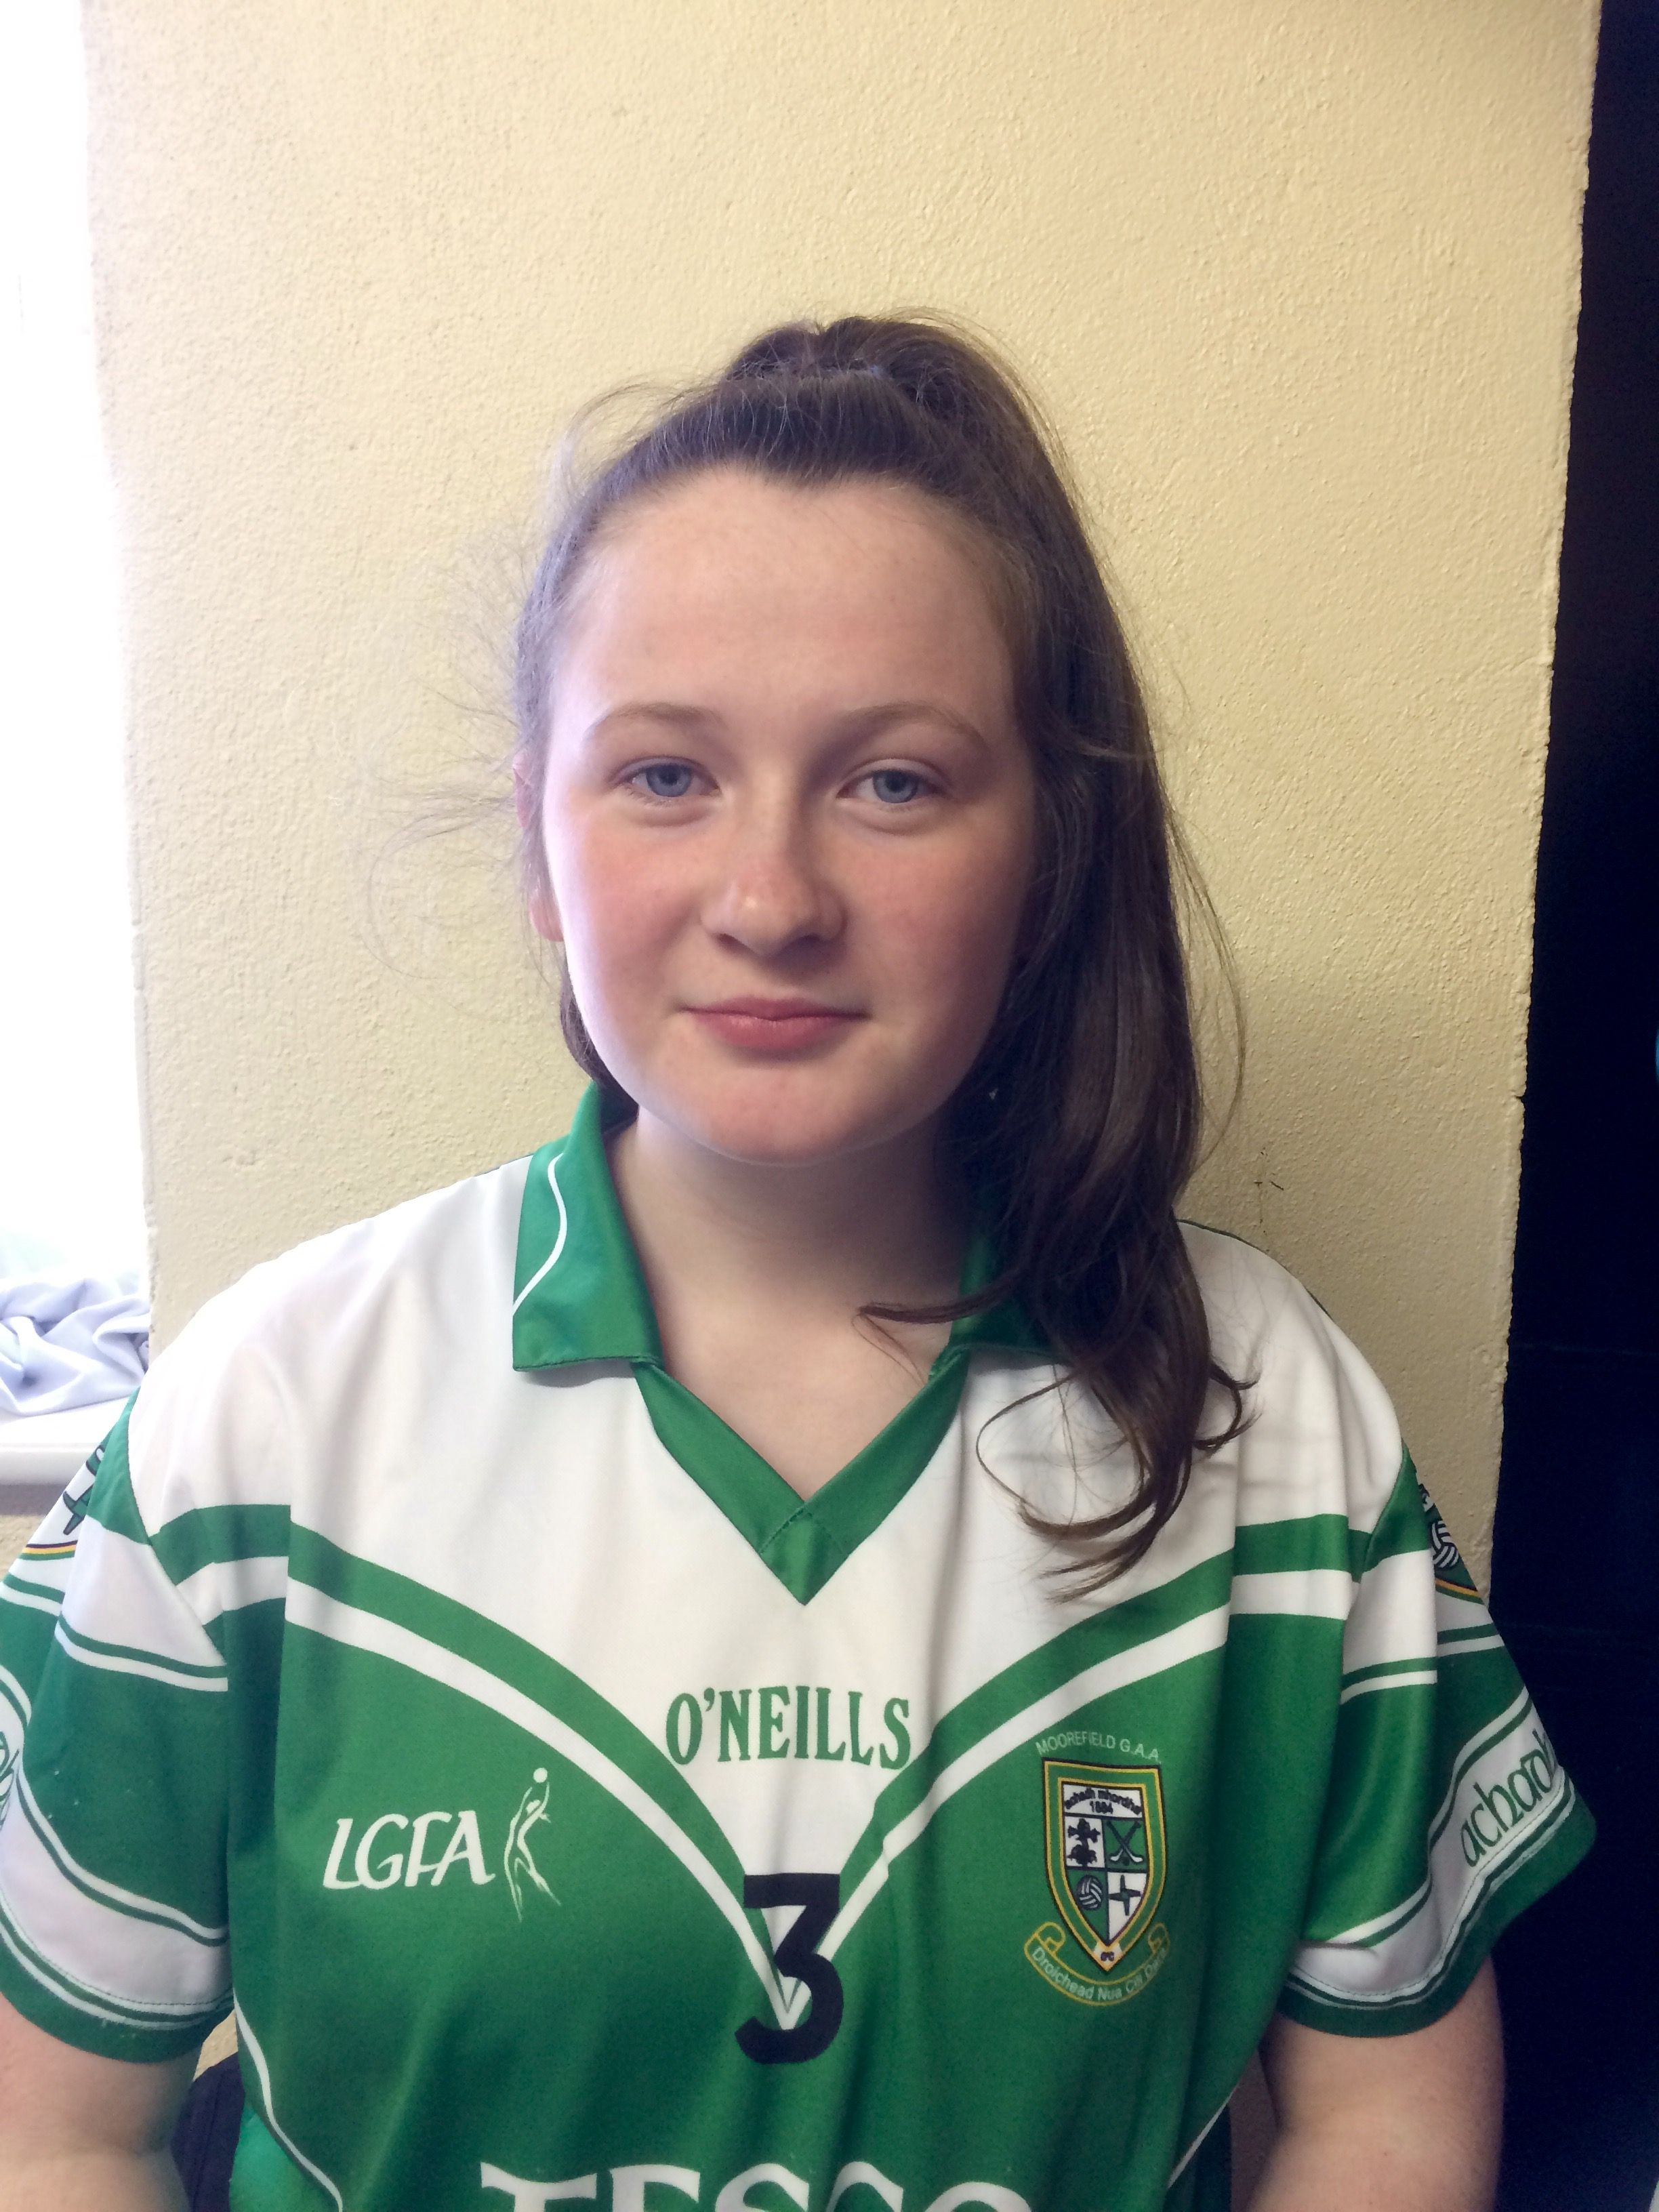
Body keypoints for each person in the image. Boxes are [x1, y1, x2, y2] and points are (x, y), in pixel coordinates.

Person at [0, 316, 1591, 2212]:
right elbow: (53, 2134)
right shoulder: (261, 1418)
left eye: (894, 782)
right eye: (665, 775)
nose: (770, 900)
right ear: (540, 840)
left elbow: (1384, 2124)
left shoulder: (1278, 1423)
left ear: (1051, 848)